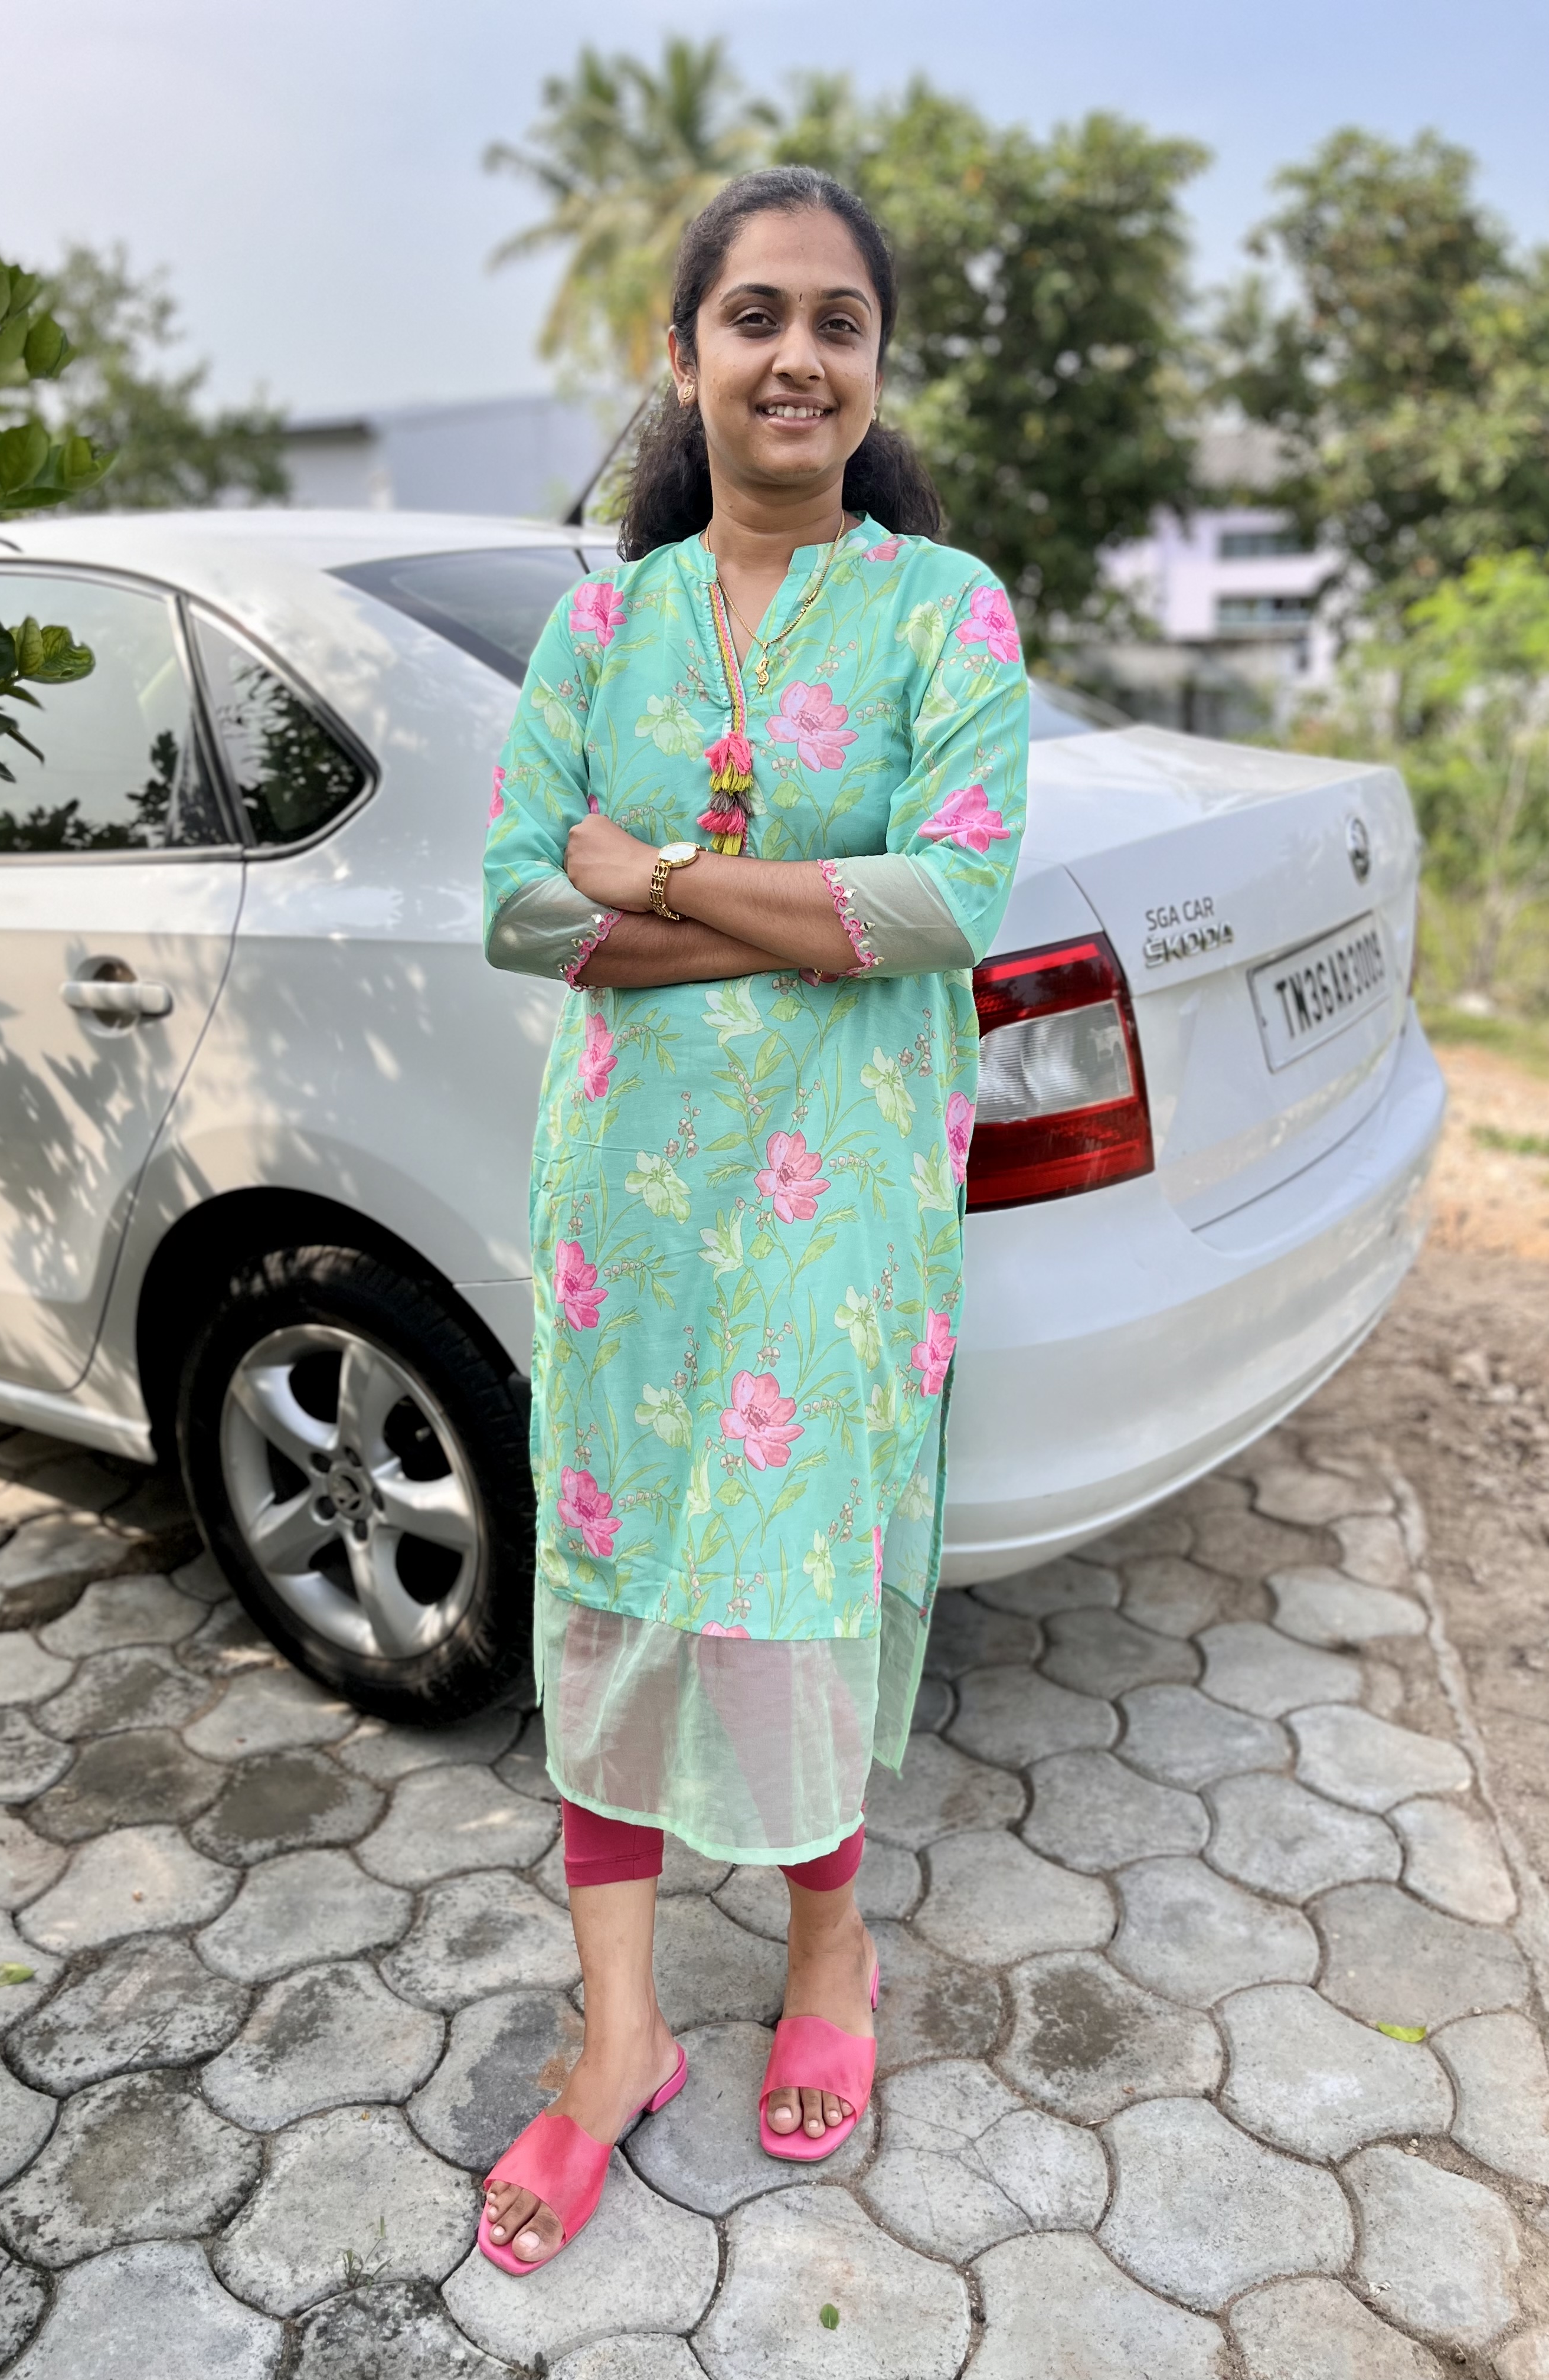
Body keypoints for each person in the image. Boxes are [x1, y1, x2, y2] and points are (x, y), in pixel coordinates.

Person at [478, 164, 1028, 2273]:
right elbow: (518, 905)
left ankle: (827, 1955)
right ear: (683, 349)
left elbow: (945, 899)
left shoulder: (943, 609)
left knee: (787, 1591)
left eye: (839, 322)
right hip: (624, 1212)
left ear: (876, 365)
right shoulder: (599, 624)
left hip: (837, 1213)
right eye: (757, 316)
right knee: (615, 1584)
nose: (798, 357)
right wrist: (787, 912)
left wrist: (658, 879)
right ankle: (618, 2034)